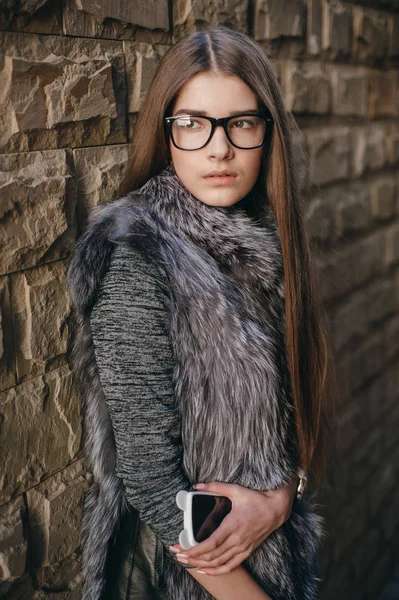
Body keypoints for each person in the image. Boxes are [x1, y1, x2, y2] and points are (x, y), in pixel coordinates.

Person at [67, 24, 333, 600]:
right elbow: (151, 482)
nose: (219, 148)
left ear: (268, 133)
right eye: (193, 124)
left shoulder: (266, 241)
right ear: (166, 135)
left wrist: (280, 499)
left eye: (241, 123)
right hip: (188, 584)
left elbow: (290, 425)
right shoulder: (139, 255)